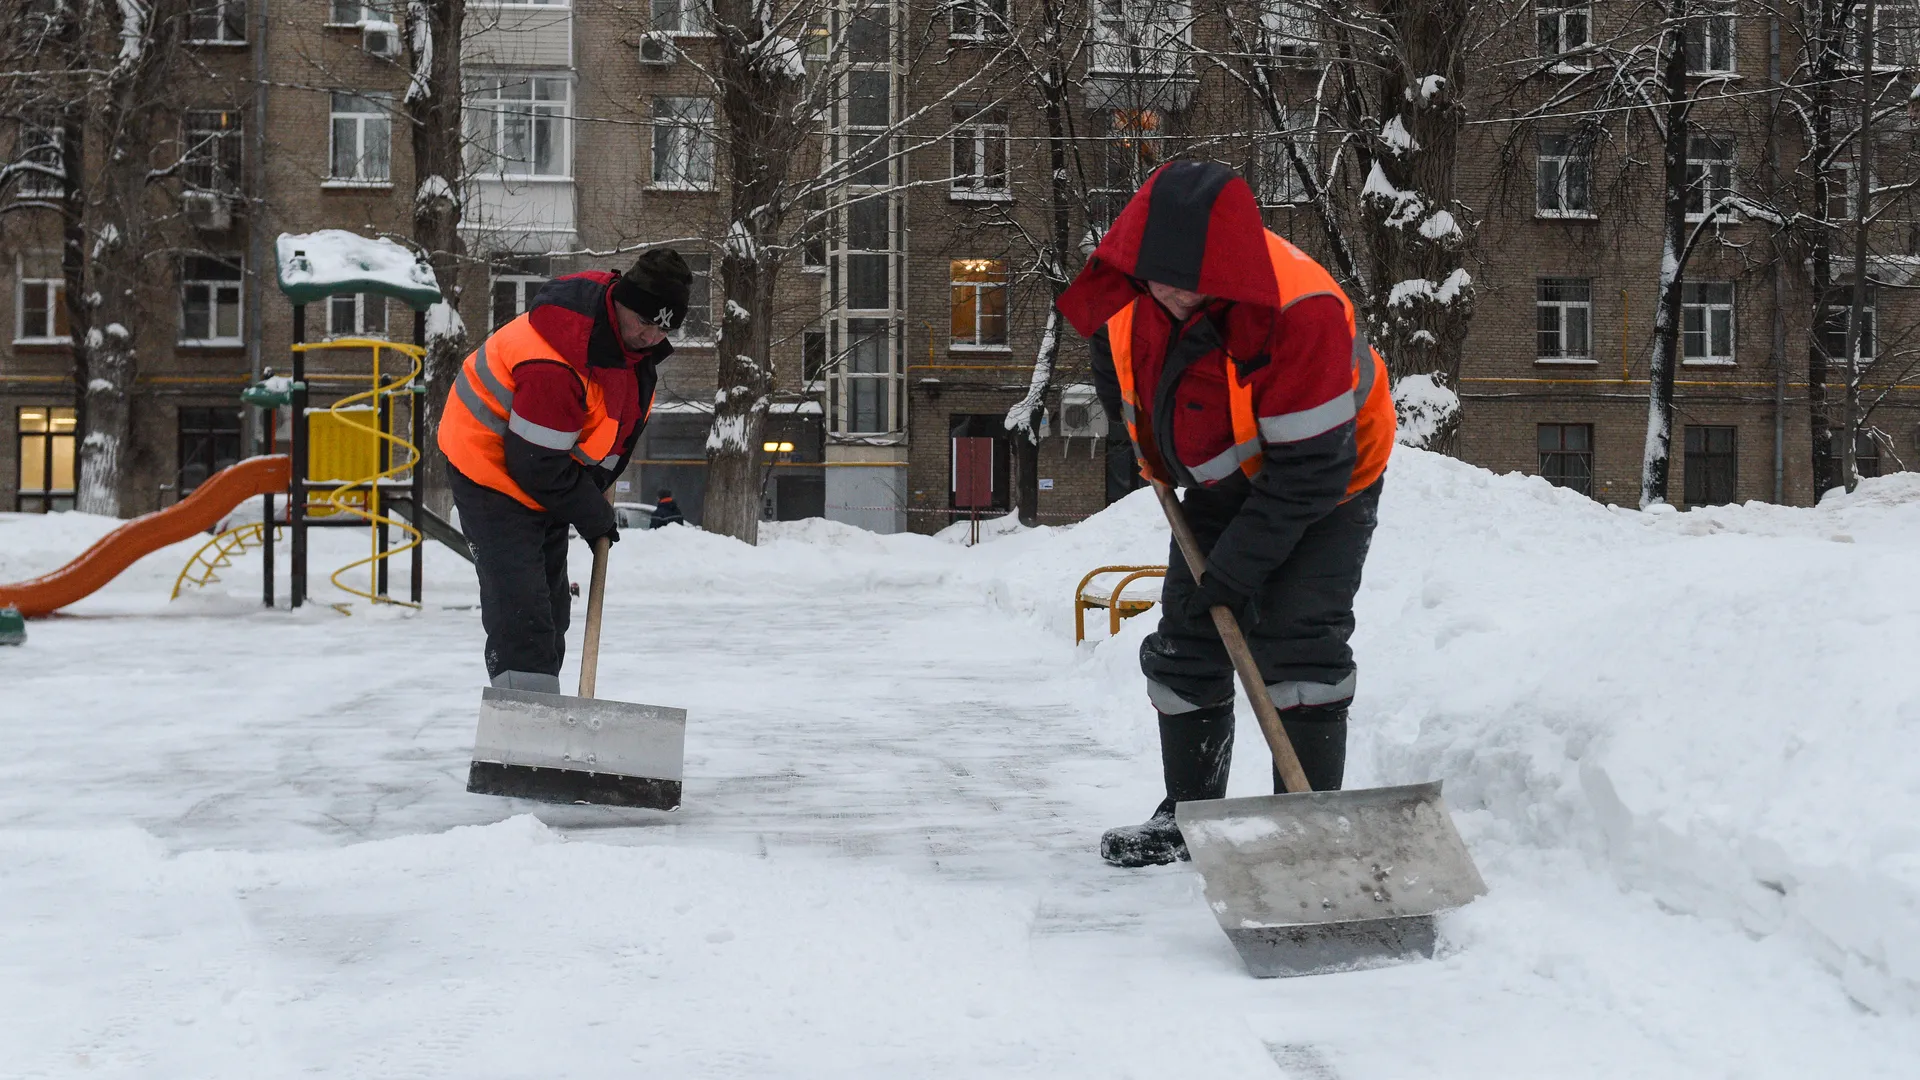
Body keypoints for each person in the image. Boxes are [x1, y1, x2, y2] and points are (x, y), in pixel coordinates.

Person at [1055, 160, 1397, 868]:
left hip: (1329, 481)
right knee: (1187, 641)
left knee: (1302, 643)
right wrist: (1160, 455)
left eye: (1191, 276)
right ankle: (1191, 816)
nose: (1173, 289)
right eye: (1160, 274)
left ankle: (1303, 828)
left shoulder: (1301, 311)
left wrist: (1238, 569)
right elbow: (1118, 379)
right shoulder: (1125, 296)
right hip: (1218, 484)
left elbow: (1310, 472)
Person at [438, 249, 692, 693]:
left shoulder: (628, 353)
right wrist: (590, 510)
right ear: (620, 302)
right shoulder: (558, 358)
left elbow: (605, 435)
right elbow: (534, 462)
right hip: (490, 465)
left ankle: (544, 721)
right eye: (645, 321)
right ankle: (523, 732)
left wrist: (591, 492)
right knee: (523, 610)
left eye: (665, 327)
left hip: (548, 476)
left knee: (553, 609)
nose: (652, 335)